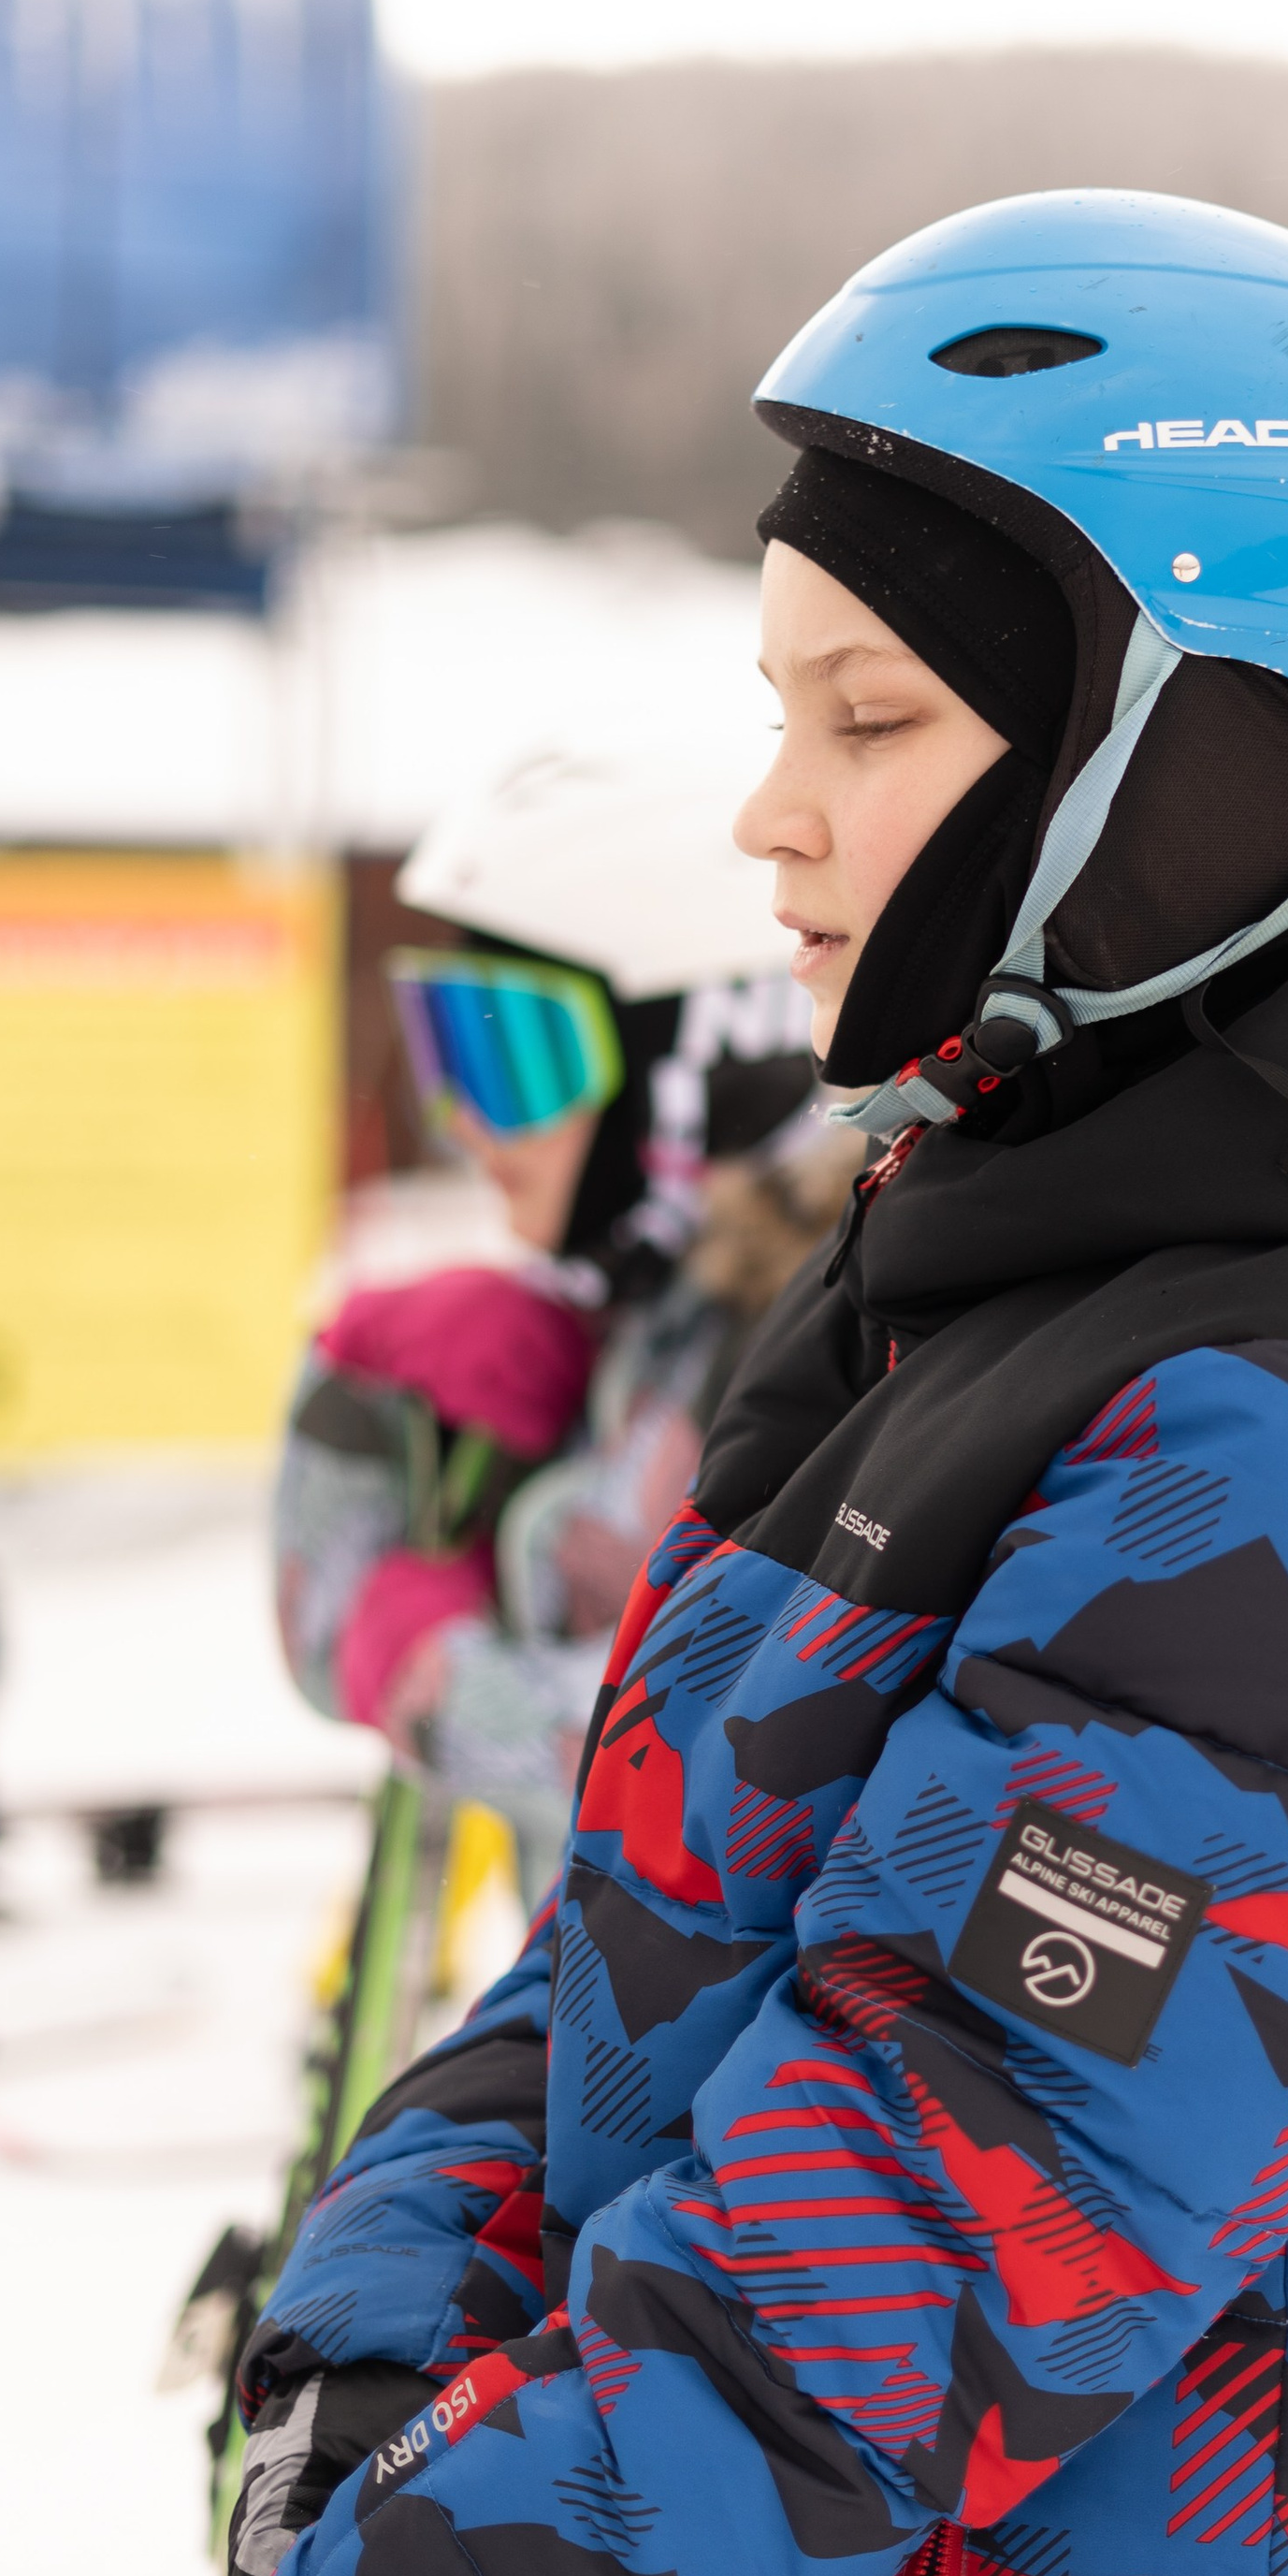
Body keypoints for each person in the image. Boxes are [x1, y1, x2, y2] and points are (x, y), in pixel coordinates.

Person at [0, 193, 1288, 2576]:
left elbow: (894, 2243)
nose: (770, 806)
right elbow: (646, 1952)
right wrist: (375, 2333)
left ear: (1198, 752)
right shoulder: (947, 1318)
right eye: (774, 708)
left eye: (866, 713)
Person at [274, 753, 844, 1916]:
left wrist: (432, 1681)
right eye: (447, 1042)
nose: (463, 1120)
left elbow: (725, 1770)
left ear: (698, 1056)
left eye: (512, 1057)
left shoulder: (838, 1347)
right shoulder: (663, 1327)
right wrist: (359, 1403)